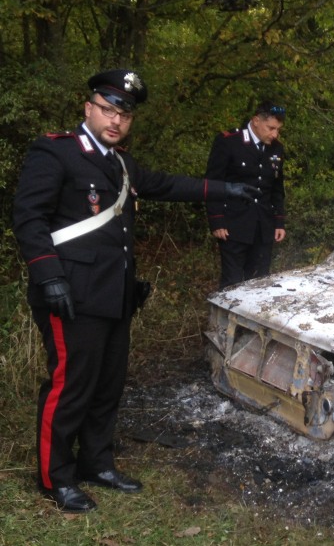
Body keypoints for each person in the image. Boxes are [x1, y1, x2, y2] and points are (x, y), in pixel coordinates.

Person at [12, 69, 260, 513]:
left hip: (114, 293)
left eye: (124, 115)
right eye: (108, 110)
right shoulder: (55, 152)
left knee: (108, 385)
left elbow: (166, 184)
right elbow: (29, 218)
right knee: (70, 387)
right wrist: (47, 275)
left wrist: (226, 189)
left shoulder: (120, 162)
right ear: (88, 108)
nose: (116, 120)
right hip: (69, 293)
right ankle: (56, 476)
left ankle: (96, 462)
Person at [205, 102, 287, 288]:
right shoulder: (229, 142)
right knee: (232, 283)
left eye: (278, 129)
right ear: (256, 121)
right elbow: (213, 183)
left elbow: (276, 188)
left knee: (259, 282)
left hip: (264, 227)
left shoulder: (277, 149)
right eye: (271, 128)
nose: (275, 134)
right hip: (233, 225)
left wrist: (279, 221)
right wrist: (217, 220)